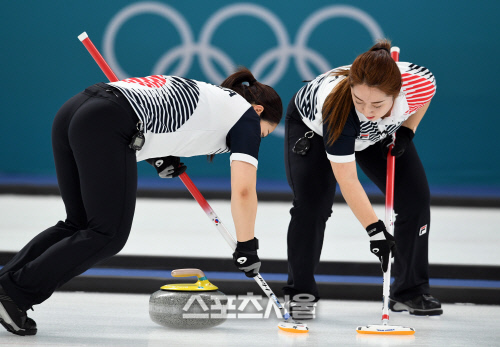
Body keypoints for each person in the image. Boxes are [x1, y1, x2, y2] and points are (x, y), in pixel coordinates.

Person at [0, 68, 283, 336]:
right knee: (106, 233)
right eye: (264, 133)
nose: (257, 138)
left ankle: (4, 286)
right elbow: (244, 190)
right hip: (106, 120)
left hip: (76, 109)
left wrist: (157, 153)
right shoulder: (246, 116)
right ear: (258, 111)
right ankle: (15, 292)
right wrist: (247, 245)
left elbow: (155, 111)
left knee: (78, 224)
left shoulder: (214, 98)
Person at [283, 39, 442, 319]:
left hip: (379, 133)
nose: (368, 109)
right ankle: (301, 293)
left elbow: (426, 96)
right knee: (312, 206)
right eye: (360, 100)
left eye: (378, 103)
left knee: (415, 199)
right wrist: (375, 230)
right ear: (351, 90)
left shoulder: (417, 81)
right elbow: (347, 180)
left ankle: (410, 291)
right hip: (317, 131)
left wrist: (406, 131)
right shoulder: (340, 110)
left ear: (396, 93)